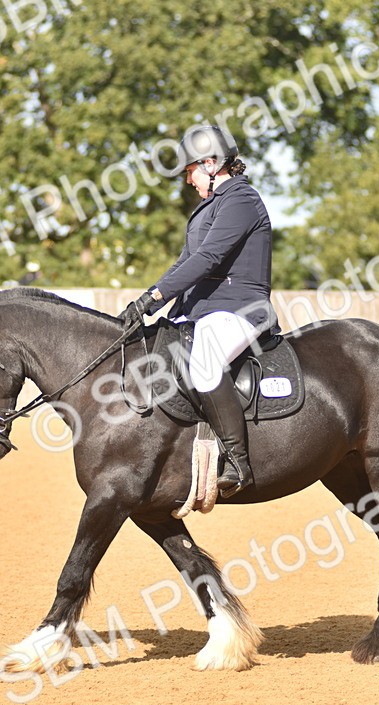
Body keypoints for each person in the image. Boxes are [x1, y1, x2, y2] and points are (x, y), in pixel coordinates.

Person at [119, 125, 277, 497]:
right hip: (200, 308)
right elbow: (184, 263)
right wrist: (148, 301)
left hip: (239, 307)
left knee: (205, 359)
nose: (188, 180)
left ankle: (238, 463)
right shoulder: (208, 207)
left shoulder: (241, 200)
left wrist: (154, 298)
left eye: (190, 170)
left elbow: (208, 259)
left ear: (211, 162)